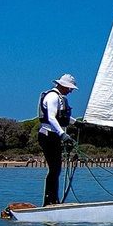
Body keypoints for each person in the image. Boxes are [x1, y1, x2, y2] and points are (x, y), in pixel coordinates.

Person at [38, 73, 78, 205]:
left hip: (54, 136)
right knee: (54, 169)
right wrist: (62, 134)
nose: (71, 91)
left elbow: (61, 116)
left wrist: (76, 123)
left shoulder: (59, 98)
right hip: (48, 135)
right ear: (63, 86)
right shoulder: (52, 97)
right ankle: (49, 201)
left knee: (57, 169)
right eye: (70, 88)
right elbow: (51, 118)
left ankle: (53, 200)